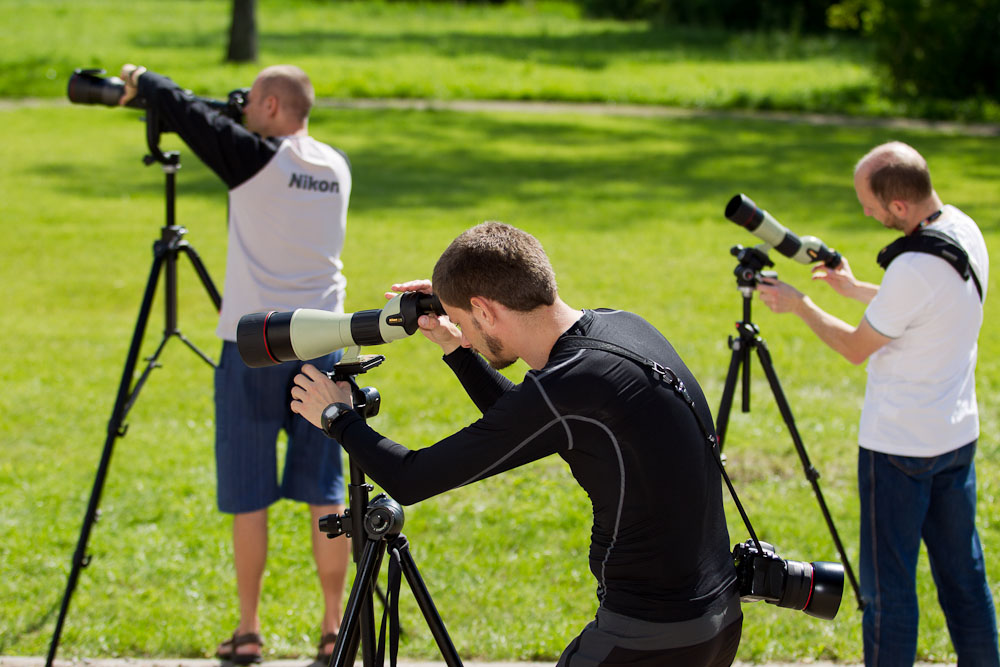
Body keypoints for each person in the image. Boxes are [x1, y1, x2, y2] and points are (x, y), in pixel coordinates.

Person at [289, 221, 743, 666]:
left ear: (486, 309)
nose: (464, 332)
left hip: (649, 637)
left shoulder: (571, 386)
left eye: (466, 321)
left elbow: (411, 478)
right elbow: (532, 418)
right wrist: (457, 347)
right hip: (715, 621)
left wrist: (337, 417)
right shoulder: (621, 328)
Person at [118, 64, 352, 664]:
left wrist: (143, 80)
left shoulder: (255, 163)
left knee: (249, 494)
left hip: (253, 345)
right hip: (323, 341)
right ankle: (333, 629)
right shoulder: (334, 166)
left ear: (272, 105)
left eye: (254, 104)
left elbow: (193, 118)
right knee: (327, 490)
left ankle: (248, 630)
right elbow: (242, 133)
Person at [755, 141, 998, 666]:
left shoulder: (913, 268)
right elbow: (923, 303)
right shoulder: (963, 229)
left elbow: (853, 348)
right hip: (955, 439)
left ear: (899, 207)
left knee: (889, 592)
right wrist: (854, 288)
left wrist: (801, 306)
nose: (864, 212)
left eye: (868, 203)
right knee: (964, 577)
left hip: (899, 451)